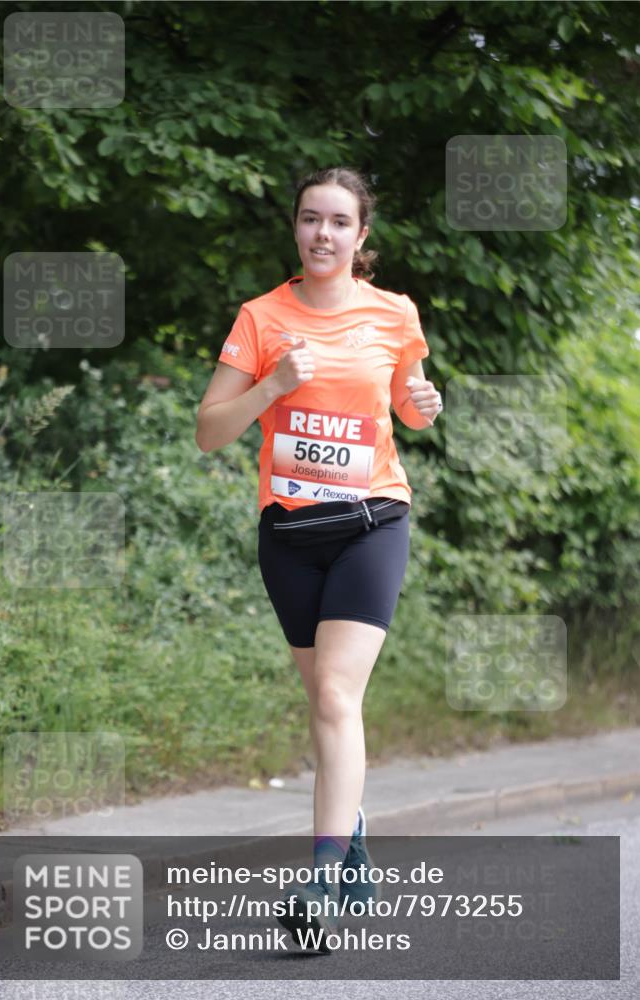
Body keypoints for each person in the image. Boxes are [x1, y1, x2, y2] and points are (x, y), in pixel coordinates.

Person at [195, 166, 442, 952]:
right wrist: (272, 385)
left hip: (372, 520)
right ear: (295, 227)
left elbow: (407, 405)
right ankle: (350, 827)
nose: (322, 234)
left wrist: (423, 404)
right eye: (310, 219)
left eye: (338, 222)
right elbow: (209, 431)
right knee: (325, 701)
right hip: (290, 536)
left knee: (335, 694)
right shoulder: (261, 317)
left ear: (360, 235)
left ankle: (321, 879)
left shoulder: (393, 313)